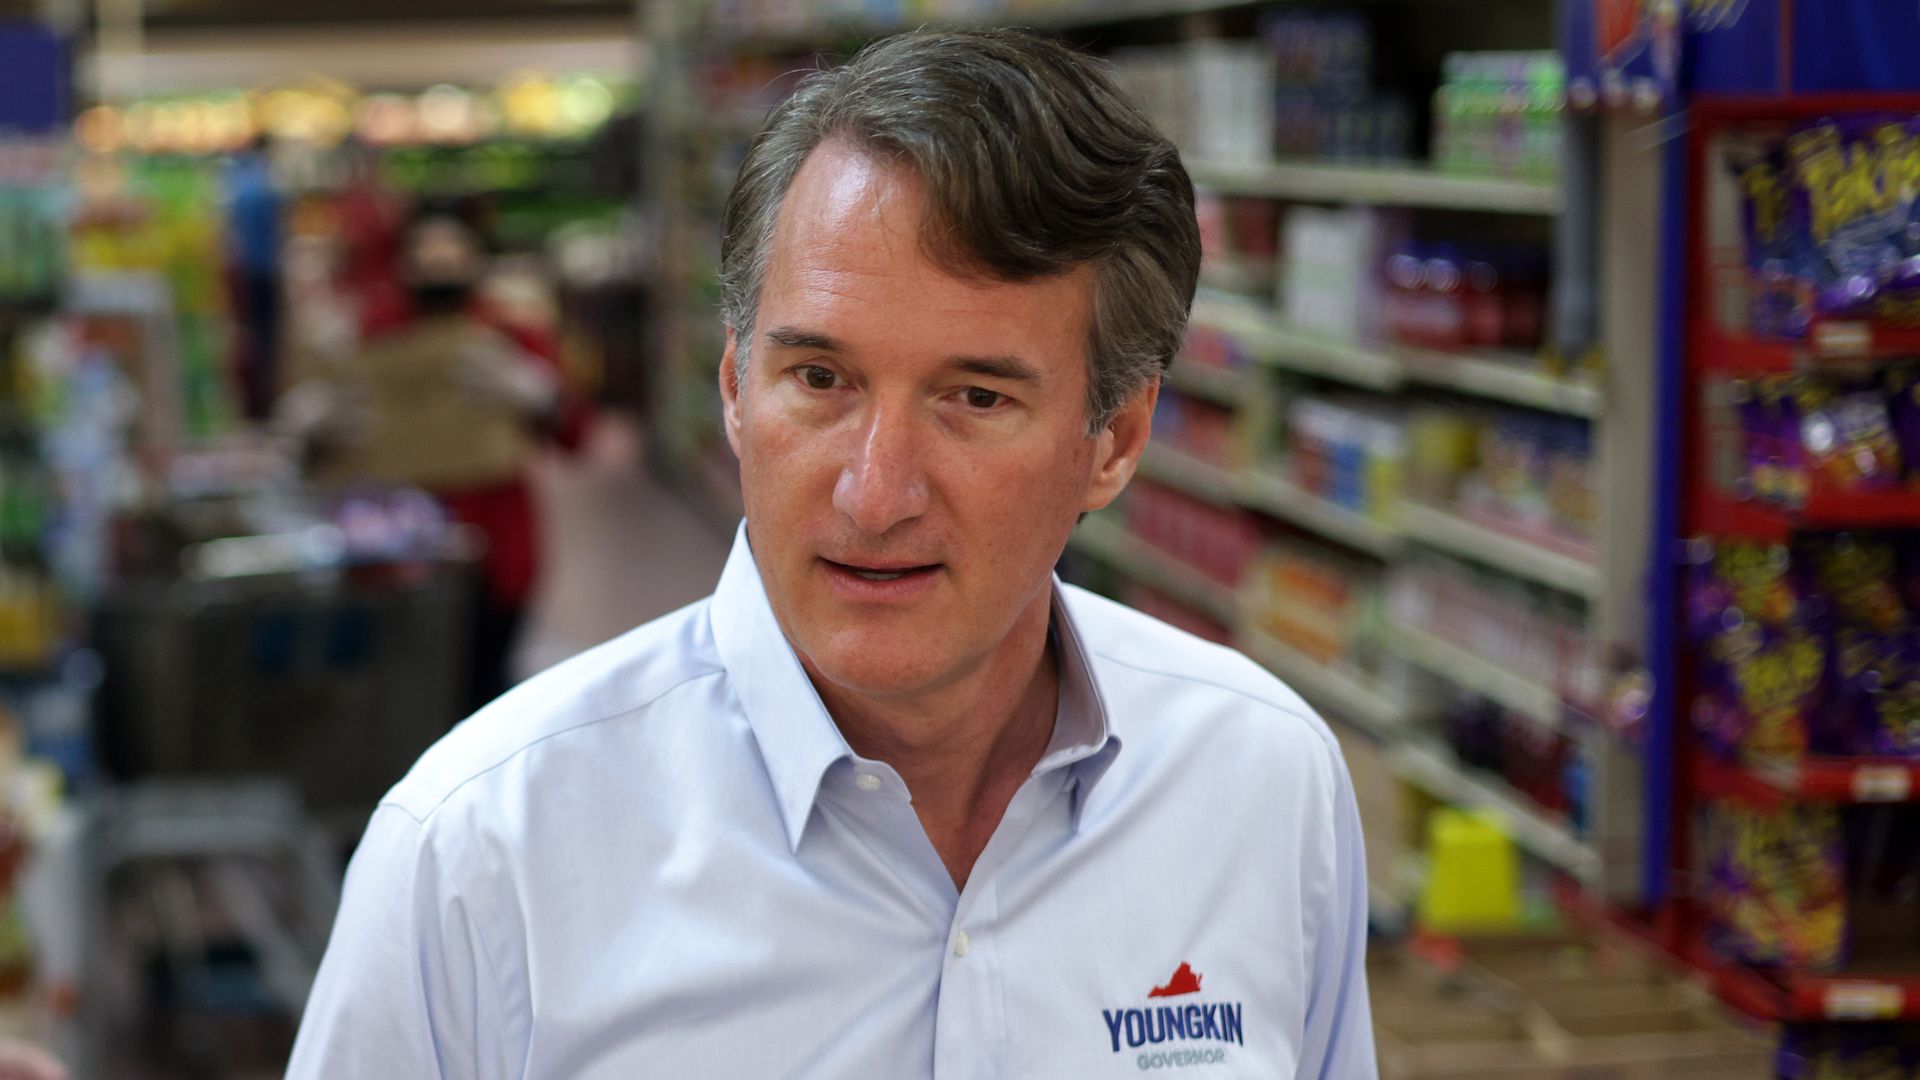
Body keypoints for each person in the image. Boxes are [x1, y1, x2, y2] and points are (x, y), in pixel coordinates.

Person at [288, 29, 1375, 1078]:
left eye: (976, 398)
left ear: (1116, 442)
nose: (875, 492)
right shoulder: (479, 856)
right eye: (820, 380)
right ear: (732, 388)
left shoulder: (1263, 782)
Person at [278, 206, 585, 710]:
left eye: (453, 257)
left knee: (484, 685)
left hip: (497, 544)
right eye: (427, 258)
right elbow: (311, 446)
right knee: (401, 692)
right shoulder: (366, 338)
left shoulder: (509, 337)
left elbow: (575, 435)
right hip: (390, 555)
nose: (440, 272)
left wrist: (540, 393)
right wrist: (308, 424)